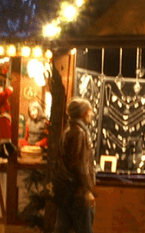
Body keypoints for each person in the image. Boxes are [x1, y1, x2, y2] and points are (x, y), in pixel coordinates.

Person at [54, 99, 96, 233]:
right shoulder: (79, 132)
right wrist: (87, 190)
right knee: (84, 229)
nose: (92, 113)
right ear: (82, 113)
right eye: (89, 111)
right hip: (77, 192)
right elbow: (79, 164)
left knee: (62, 228)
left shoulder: (68, 130)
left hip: (67, 190)